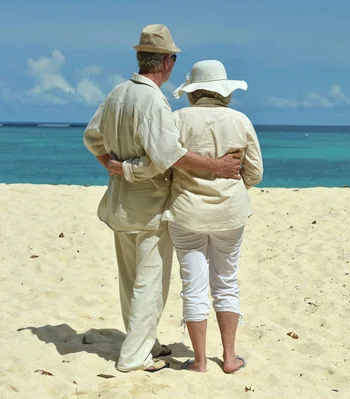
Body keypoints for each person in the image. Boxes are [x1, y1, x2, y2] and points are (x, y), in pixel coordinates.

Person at [83, 25, 242, 373]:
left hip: (119, 202)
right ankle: (135, 356)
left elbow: (92, 138)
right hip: (150, 206)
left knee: (130, 280)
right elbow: (169, 157)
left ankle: (146, 342)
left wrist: (112, 167)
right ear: (167, 61)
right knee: (149, 283)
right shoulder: (154, 100)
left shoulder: (117, 93)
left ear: (141, 58)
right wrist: (216, 166)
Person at [110, 60, 263, 374]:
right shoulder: (240, 120)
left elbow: (164, 162)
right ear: (224, 91)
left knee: (193, 286)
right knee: (226, 283)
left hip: (185, 212)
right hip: (230, 214)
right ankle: (230, 358)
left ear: (193, 91)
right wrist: (232, 188)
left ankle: (200, 361)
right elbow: (255, 173)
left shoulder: (178, 119)